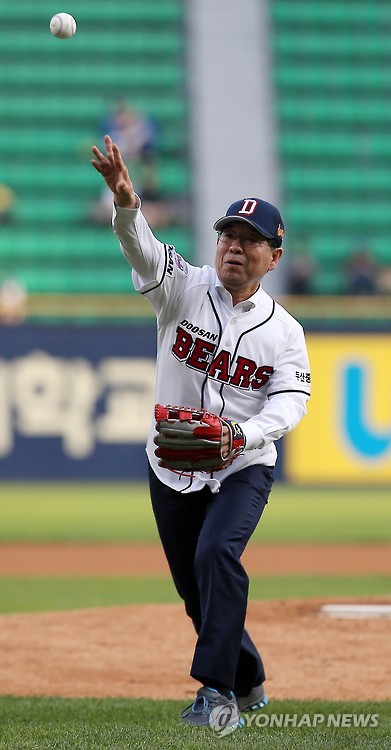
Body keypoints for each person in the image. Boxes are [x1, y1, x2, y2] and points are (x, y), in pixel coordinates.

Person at [91, 135, 311, 732]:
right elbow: (141, 251)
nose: (234, 247)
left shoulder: (285, 332)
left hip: (243, 464)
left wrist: (238, 436)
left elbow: (291, 403)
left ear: (274, 255)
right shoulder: (182, 288)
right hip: (171, 462)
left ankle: (217, 696)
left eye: (249, 240)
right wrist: (125, 202)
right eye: (227, 236)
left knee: (217, 555)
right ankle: (248, 676)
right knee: (195, 592)